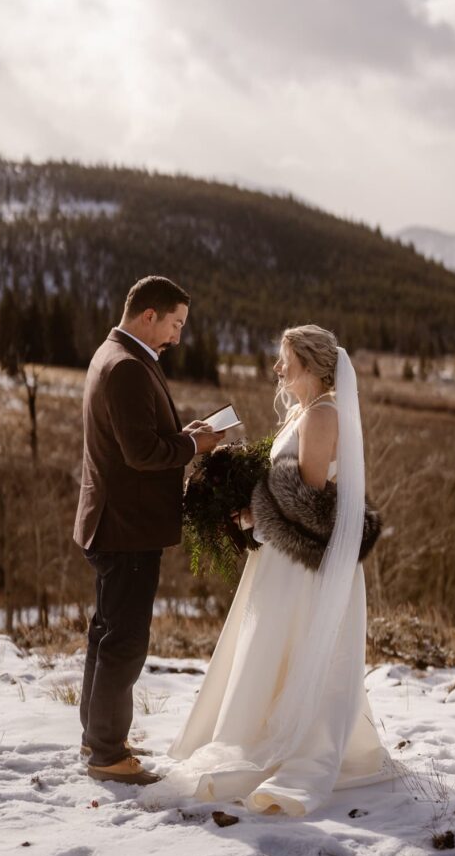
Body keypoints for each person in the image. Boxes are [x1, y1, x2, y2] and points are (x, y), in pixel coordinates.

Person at [155, 325, 393, 815]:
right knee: (270, 648)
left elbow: (306, 498)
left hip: (305, 563)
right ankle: (255, 725)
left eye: (286, 359)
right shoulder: (305, 412)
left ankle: (294, 744)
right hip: (284, 555)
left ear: (309, 364)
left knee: (293, 645)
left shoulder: (324, 415)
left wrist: (254, 514)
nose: (278, 368)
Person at [74, 276, 225, 785]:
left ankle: (97, 737)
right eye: (176, 324)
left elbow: (134, 441)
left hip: (114, 520)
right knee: (126, 640)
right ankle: (109, 756)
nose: (178, 337)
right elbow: (141, 454)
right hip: (126, 526)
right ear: (148, 316)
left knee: (105, 631)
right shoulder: (126, 369)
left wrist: (183, 436)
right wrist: (195, 448)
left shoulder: (114, 355)